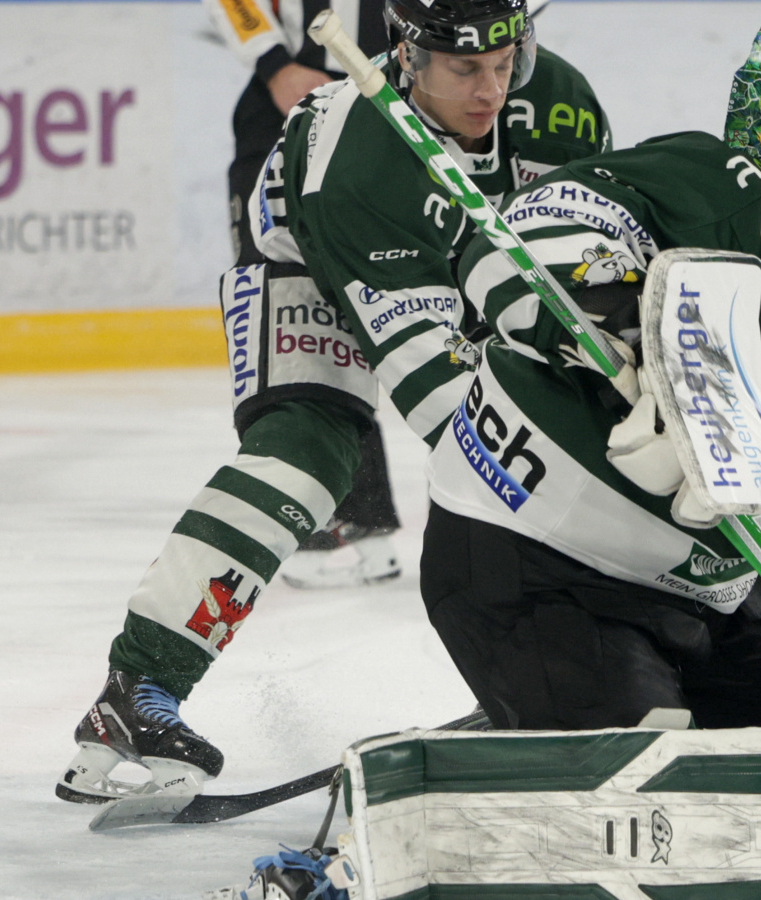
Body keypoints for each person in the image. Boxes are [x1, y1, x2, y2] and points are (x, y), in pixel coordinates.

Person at [57, 0, 610, 804]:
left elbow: (595, 254)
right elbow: (436, 392)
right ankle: (138, 690)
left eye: (506, 62)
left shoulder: (561, 102)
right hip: (309, 266)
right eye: (464, 70)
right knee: (307, 455)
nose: (490, 89)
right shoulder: (356, 155)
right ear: (409, 58)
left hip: (459, 260)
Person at [417, 7, 761, 836]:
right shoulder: (710, 175)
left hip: (712, 602)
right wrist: (621, 322)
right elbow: (509, 239)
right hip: (538, 568)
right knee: (654, 806)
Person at [199, 0, 551, 589]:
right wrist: (273, 65)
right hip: (293, 111)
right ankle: (336, 513)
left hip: (415, 107)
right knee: (296, 309)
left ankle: (500, 493)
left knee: (430, 304)